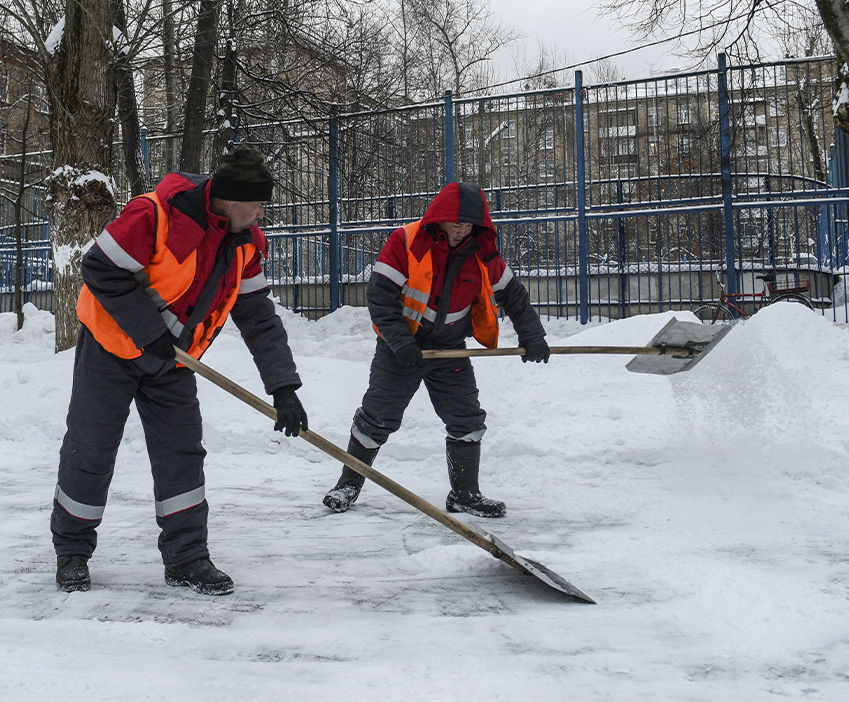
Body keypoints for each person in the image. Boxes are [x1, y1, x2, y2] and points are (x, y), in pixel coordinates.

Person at [51, 145, 308, 595]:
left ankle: (187, 558)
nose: (262, 213)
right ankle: (72, 553)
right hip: (111, 347)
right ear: (231, 199)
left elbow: (258, 316)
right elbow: (99, 268)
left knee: (181, 455)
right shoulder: (154, 215)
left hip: (172, 361)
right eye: (258, 204)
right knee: (90, 450)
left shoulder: (245, 242)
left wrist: (283, 386)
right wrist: (148, 332)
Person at [323, 182, 550, 518]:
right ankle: (348, 484)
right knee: (377, 417)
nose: (461, 232)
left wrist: (533, 336)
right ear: (439, 218)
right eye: (455, 224)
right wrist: (401, 342)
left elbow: (513, 296)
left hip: (449, 349)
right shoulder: (406, 241)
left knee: (467, 418)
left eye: (468, 226)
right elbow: (380, 297)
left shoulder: (483, 252)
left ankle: (464, 494)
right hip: (401, 347)